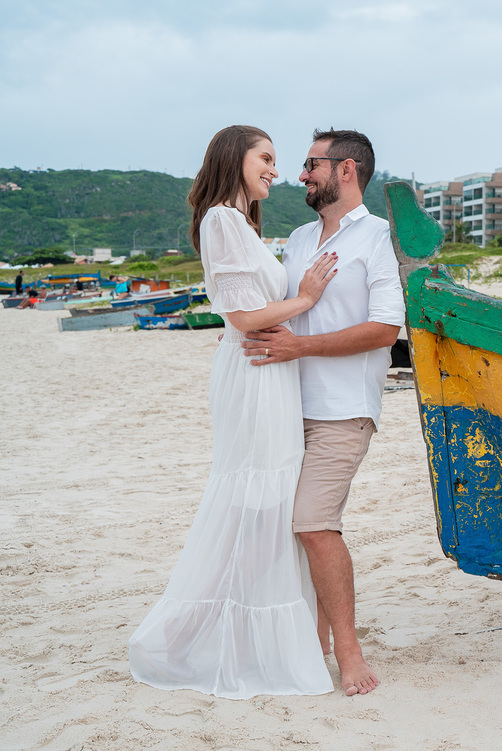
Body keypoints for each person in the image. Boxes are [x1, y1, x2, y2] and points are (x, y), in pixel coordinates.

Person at [128, 125, 340, 699]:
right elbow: (246, 316)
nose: (275, 168)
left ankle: (242, 637)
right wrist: (308, 298)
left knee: (267, 502)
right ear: (235, 159)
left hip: (269, 374)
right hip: (253, 374)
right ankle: (185, 639)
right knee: (255, 498)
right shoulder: (222, 218)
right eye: (266, 158)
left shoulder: (242, 225)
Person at [240, 128, 403, 696]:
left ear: (346, 170)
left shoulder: (379, 238)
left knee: (314, 522)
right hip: (285, 406)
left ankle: (348, 654)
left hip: (342, 409)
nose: (301, 174)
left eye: (311, 163)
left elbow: (386, 328)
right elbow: (281, 312)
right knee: (289, 529)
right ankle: (312, 640)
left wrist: (301, 346)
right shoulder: (299, 239)